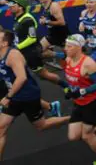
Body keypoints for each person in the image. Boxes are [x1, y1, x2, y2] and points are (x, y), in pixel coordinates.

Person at [0, 30, 69, 160]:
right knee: (1, 129)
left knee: (41, 126)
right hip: (14, 97)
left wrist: (8, 97)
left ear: (4, 43)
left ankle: (71, 119)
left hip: (28, 96)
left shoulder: (12, 55)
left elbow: (22, 78)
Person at [59, 34, 96, 165]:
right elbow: (71, 79)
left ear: (79, 47)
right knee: (73, 136)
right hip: (78, 103)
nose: (66, 49)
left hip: (92, 102)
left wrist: (82, 91)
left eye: (69, 46)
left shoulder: (88, 63)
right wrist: (68, 89)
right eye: (66, 46)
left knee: (86, 135)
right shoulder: (68, 59)